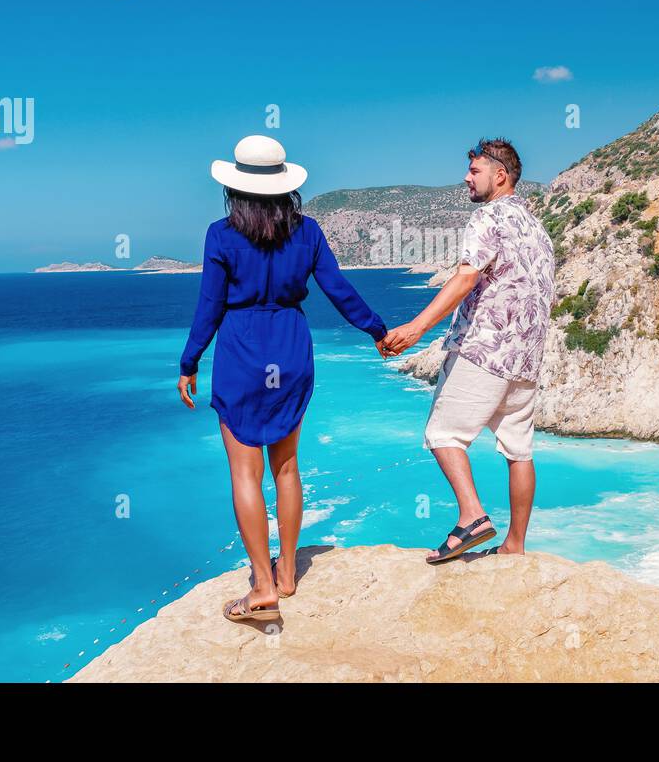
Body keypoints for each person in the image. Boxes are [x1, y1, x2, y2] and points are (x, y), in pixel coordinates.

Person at [177, 134, 389, 622]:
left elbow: (209, 307)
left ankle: (263, 584)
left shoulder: (221, 234)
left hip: (241, 352)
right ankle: (289, 572)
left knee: (244, 472)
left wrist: (189, 363)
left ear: (236, 186)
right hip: (291, 349)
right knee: (287, 467)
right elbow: (338, 288)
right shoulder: (308, 231)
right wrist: (376, 330)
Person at [382, 138, 554, 563]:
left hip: (485, 350)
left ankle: (472, 517)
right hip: (526, 359)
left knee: (443, 434)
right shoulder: (538, 228)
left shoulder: (488, 216)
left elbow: (465, 278)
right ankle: (515, 545)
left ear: (500, 175)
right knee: (519, 449)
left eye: (474, 171)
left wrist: (417, 327)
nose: (466, 177)